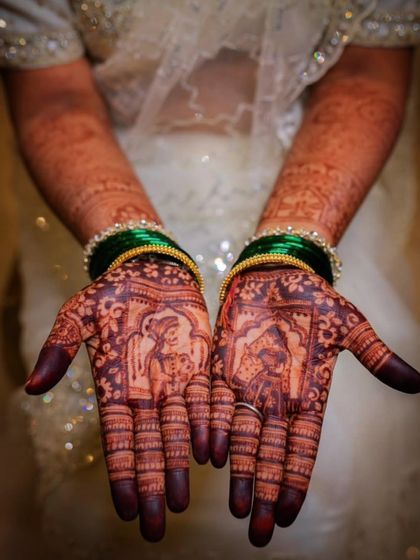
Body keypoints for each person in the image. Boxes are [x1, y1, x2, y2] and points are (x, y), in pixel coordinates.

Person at [1, 1, 420, 558]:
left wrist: (288, 249)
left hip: (317, 176)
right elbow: (55, 94)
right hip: (95, 182)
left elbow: (366, 67)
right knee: (92, 491)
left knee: (326, 486)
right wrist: (131, 247)